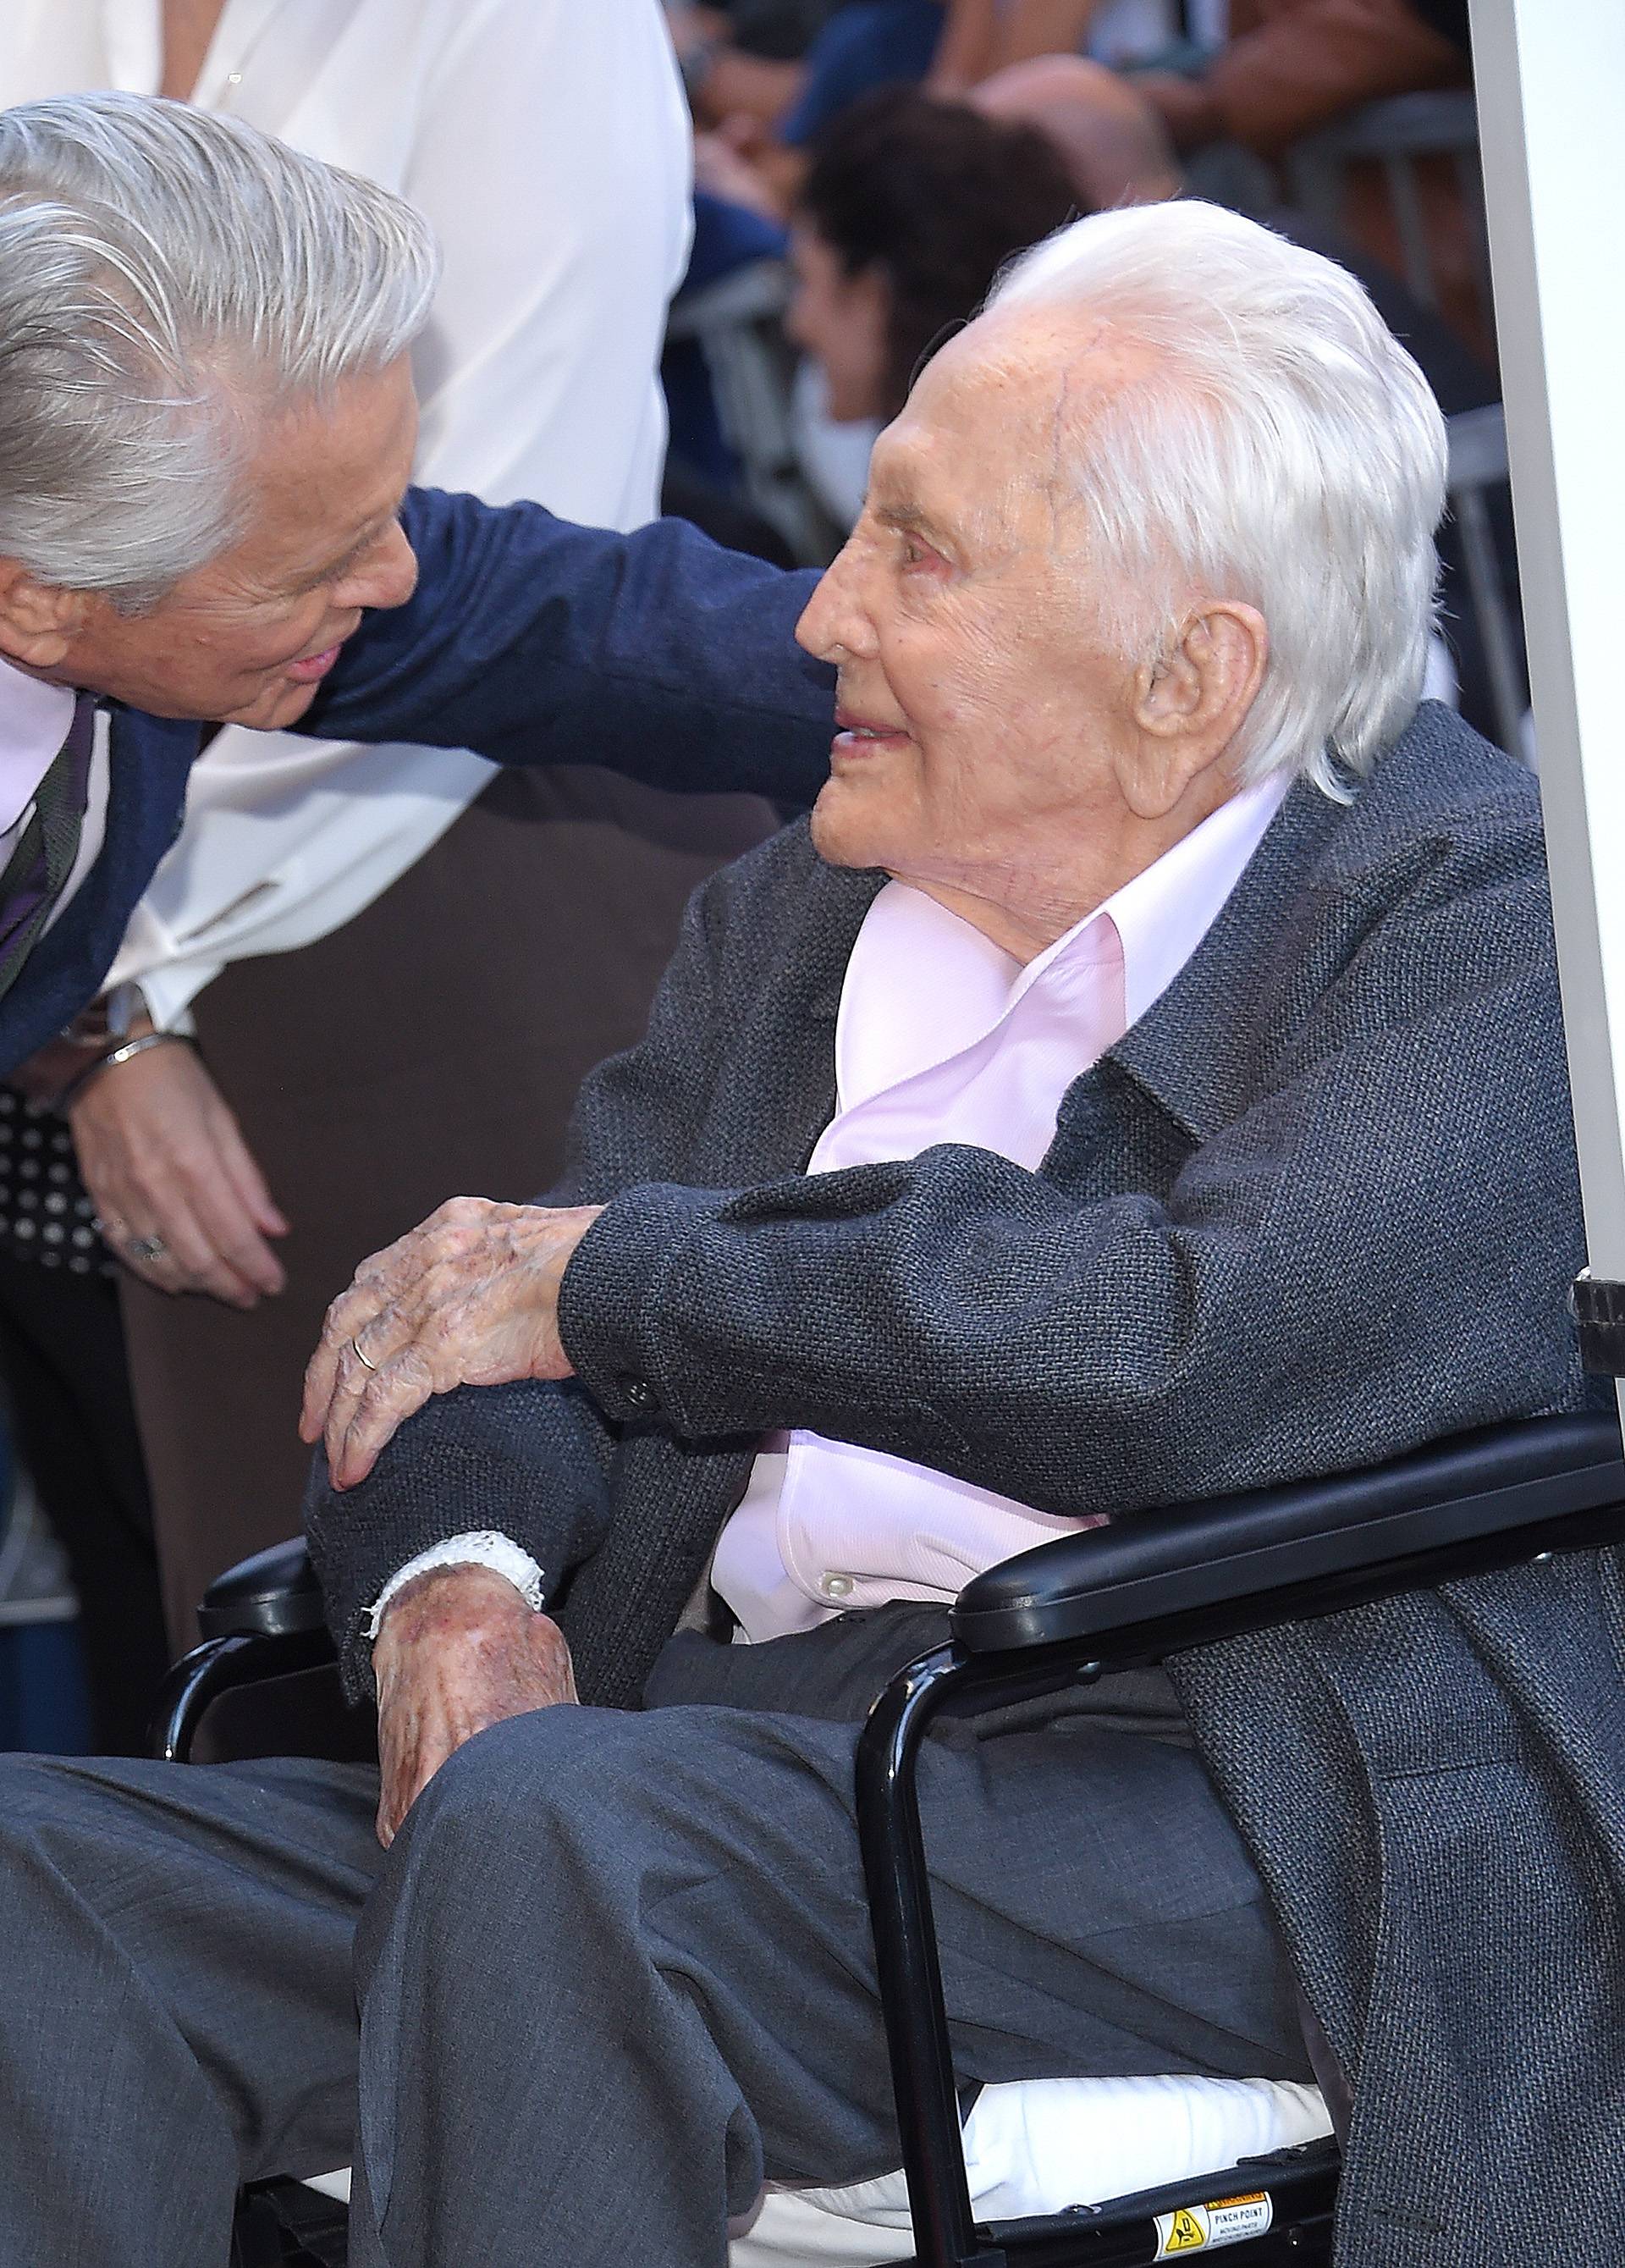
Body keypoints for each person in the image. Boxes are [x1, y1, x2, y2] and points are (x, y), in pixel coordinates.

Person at [0, 201, 1608, 2268]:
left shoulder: (1473, 911)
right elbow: (482, 1331)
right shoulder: (813, 907)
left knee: (563, 1833)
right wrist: (461, 1596)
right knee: (50, 1875)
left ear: (1187, 671)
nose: (823, 614)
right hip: (747, 1755)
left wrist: (626, 1285)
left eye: (916, 554)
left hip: (1230, 1765)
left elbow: (1194, 1352)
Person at [0, 0, 769, 1724]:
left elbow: (590, 622)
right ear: (41, 603)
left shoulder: (176, 569)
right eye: (323, 564)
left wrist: (981, 667)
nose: (396, 585)